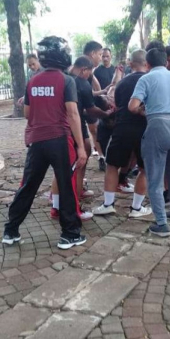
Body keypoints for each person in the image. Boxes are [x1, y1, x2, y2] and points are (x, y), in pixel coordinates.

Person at [2, 36, 87, 250]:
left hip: (36, 142)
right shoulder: (66, 81)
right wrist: (81, 146)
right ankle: (70, 234)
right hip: (59, 140)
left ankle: (11, 230)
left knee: (28, 186)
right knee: (66, 185)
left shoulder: (33, 81)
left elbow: (27, 113)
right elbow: (73, 114)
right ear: (62, 55)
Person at [129, 48, 170, 237]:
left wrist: (144, 110)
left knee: (155, 176)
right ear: (166, 62)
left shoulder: (145, 79)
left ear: (147, 64)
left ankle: (162, 223)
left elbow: (132, 106)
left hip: (158, 125)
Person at [48, 56, 112, 220]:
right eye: (89, 72)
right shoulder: (79, 82)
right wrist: (105, 114)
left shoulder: (60, 77)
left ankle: (56, 205)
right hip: (72, 127)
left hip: (55, 128)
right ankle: (73, 207)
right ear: (84, 69)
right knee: (76, 164)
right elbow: (88, 110)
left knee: (63, 168)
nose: (89, 76)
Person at [93, 49, 151, 218]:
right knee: (144, 169)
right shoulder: (150, 81)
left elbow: (116, 105)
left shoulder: (122, 83)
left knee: (112, 165)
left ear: (130, 64)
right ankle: (136, 208)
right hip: (144, 130)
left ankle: (108, 204)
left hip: (122, 128)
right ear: (147, 64)